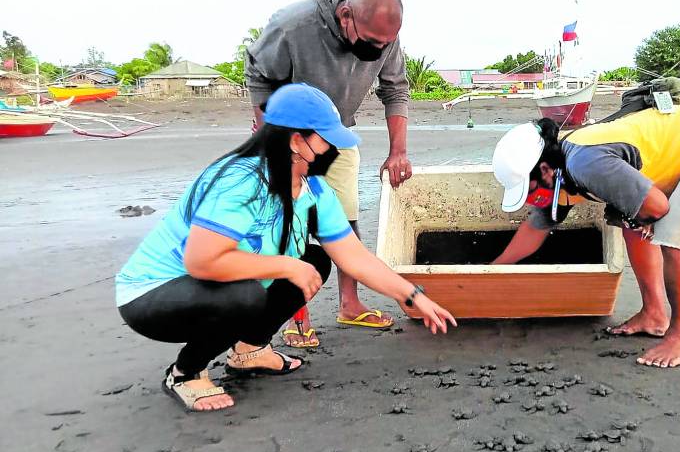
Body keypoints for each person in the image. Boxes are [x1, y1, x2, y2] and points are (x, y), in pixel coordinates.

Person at [115, 83, 455, 412]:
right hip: (153, 296)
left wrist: (411, 296)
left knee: (316, 258)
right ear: (296, 141)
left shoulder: (313, 188)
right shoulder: (242, 180)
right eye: (327, 141)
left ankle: (249, 351)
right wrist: (287, 266)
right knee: (251, 292)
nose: (332, 152)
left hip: (214, 284)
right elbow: (202, 261)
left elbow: (353, 257)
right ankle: (185, 374)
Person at [492, 102, 680, 368]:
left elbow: (657, 207)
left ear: (545, 170)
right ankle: (654, 315)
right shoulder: (560, 169)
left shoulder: (587, 165)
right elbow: (535, 229)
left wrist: (649, 222)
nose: (529, 200)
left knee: (676, 236)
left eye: (530, 189)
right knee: (630, 221)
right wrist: (493, 270)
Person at [246, 0, 411, 346]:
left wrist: (398, 150)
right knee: (291, 224)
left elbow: (395, 88)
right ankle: (295, 315)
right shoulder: (292, 26)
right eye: (371, 41)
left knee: (345, 220)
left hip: (339, 133)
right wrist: (269, 140)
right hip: (291, 138)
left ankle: (349, 304)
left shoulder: (384, 32)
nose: (380, 48)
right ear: (345, 16)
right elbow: (258, 75)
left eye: (386, 43)